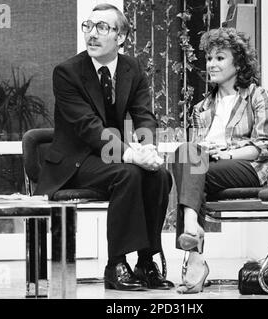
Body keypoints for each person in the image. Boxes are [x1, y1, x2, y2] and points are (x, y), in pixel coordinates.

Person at [34, 3, 174, 291]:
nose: (92, 35)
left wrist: (147, 149)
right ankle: (116, 264)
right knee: (128, 174)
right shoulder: (67, 72)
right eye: (88, 26)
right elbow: (88, 127)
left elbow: (144, 114)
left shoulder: (131, 67)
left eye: (102, 28)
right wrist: (132, 154)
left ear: (121, 37)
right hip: (76, 160)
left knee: (161, 175)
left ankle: (146, 262)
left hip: (111, 157)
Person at [172, 27, 268, 294]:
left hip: (248, 166)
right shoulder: (202, 107)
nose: (211, 64)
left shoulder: (257, 95)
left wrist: (227, 153)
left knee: (192, 167)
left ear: (238, 62)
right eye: (209, 58)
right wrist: (205, 152)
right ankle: (194, 245)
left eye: (220, 58)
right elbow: (195, 151)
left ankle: (192, 240)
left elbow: (266, 146)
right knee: (186, 153)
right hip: (209, 168)